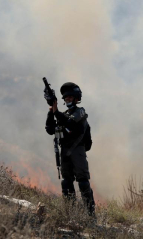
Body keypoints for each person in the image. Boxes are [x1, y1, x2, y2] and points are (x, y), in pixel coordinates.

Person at [45, 82, 95, 215]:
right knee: (66, 181)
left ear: (76, 98)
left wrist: (56, 111)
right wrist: (51, 111)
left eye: (70, 97)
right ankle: (71, 213)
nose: (67, 99)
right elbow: (50, 130)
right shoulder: (63, 114)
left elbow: (70, 124)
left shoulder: (80, 112)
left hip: (77, 150)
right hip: (65, 151)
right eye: (65, 98)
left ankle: (90, 215)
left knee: (83, 180)